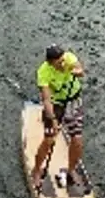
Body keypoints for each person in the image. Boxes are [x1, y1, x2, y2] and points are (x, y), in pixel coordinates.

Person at [31, 44, 86, 189]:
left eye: (63, 59)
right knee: (49, 140)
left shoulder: (68, 58)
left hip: (73, 100)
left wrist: (77, 71)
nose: (62, 63)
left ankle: (71, 169)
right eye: (59, 62)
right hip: (55, 105)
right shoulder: (44, 72)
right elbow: (47, 100)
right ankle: (36, 170)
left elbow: (81, 70)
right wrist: (54, 120)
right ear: (50, 63)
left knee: (77, 139)